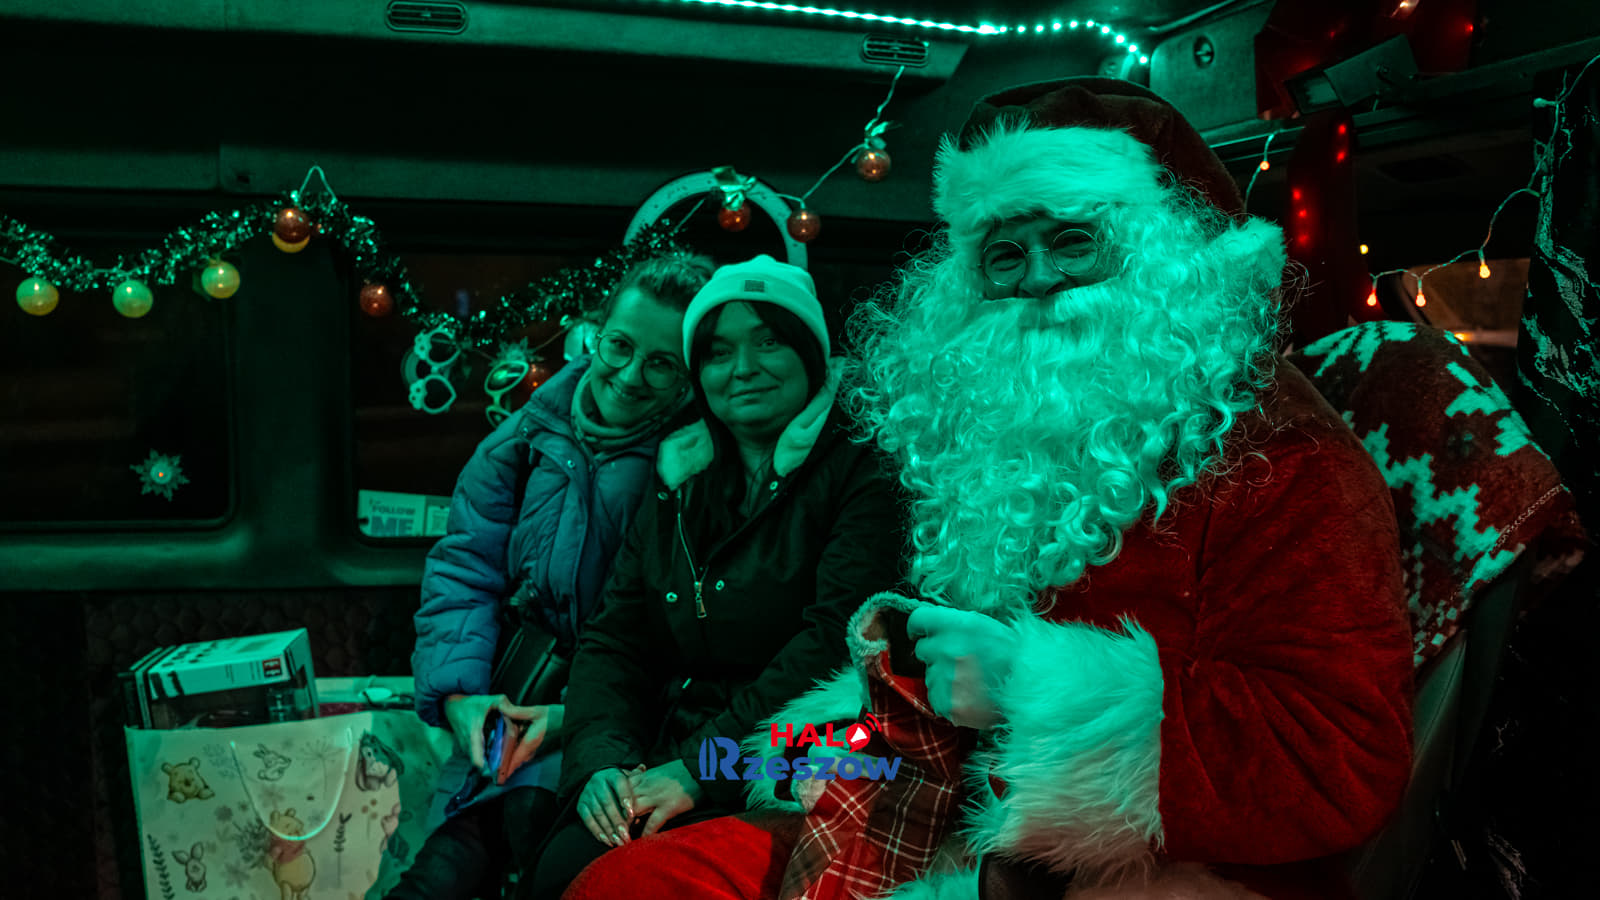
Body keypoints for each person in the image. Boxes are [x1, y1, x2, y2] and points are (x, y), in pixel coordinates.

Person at [561, 78, 1414, 900]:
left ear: (1163, 258)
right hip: (921, 800)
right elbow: (890, 707)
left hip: (1152, 860)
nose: (1037, 278)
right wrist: (729, 766)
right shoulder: (967, 452)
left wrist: (1029, 688)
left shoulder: (1281, 455)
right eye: (1005, 255)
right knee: (619, 879)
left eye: (1073, 241)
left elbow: (1340, 758)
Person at [513, 254, 906, 900]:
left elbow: (835, 638)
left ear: (811, 353)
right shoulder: (679, 476)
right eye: (718, 353)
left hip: (798, 754)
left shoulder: (861, 466)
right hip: (671, 748)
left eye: (769, 342)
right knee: (557, 866)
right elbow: (614, 638)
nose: (743, 368)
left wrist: (701, 767)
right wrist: (602, 764)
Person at [392, 251, 714, 900]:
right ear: (595, 330)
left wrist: (578, 716)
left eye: (661, 363)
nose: (630, 376)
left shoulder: (697, 463)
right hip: (515, 691)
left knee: (531, 836)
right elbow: (465, 567)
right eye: (619, 345)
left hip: (621, 716)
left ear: (689, 374)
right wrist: (460, 698)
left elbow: (688, 633)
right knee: (445, 868)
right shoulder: (524, 438)